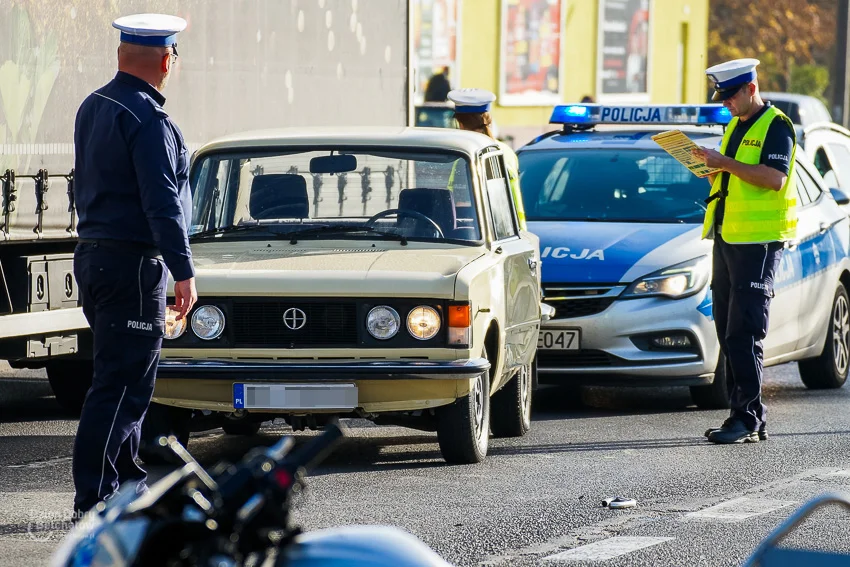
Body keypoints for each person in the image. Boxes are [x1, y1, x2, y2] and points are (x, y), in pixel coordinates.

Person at [71, 13, 197, 516]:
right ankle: (97, 498)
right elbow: (162, 202)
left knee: (125, 381)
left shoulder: (94, 105)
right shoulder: (149, 120)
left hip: (97, 257)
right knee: (122, 384)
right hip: (131, 265)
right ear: (167, 60)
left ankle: (125, 486)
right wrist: (183, 270)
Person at [692, 58, 796, 444]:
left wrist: (726, 164)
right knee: (726, 328)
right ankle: (742, 415)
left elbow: (774, 178)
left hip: (758, 242)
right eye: (723, 97)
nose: (727, 104)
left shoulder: (777, 126)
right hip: (728, 237)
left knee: (745, 330)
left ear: (751, 89)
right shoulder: (735, 124)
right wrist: (709, 165)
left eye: (731, 96)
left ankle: (748, 418)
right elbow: (732, 175)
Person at [447, 88, 527, 230]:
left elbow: (462, 208)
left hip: (478, 235)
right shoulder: (506, 151)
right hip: (511, 232)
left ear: (460, 124)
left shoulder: (465, 155)